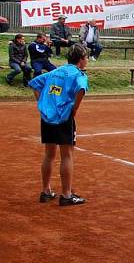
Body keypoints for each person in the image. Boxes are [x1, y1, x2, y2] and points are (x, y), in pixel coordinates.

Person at [27, 43, 90, 206]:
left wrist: (43, 103)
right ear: (81, 60)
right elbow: (81, 89)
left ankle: (46, 191)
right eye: (86, 57)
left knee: (49, 154)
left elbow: (34, 83)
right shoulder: (78, 74)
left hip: (47, 116)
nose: (87, 61)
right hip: (64, 117)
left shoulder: (55, 71)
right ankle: (66, 195)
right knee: (67, 155)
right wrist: (74, 109)